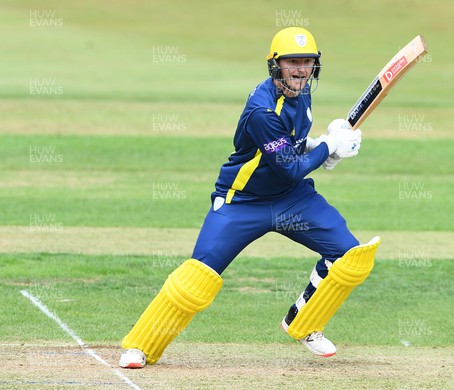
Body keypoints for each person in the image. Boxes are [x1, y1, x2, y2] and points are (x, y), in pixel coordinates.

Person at [119, 26, 380, 369]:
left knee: (350, 256)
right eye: (292, 62)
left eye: (307, 62)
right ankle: (140, 345)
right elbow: (288, 166)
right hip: (241, 202)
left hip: (291, 200)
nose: (301, 70)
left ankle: (303, 323)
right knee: (197, 277)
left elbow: (292, 150)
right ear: (275, 66)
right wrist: (331, 146)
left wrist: (319, 148)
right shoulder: (262, 110)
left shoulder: (302, 94)